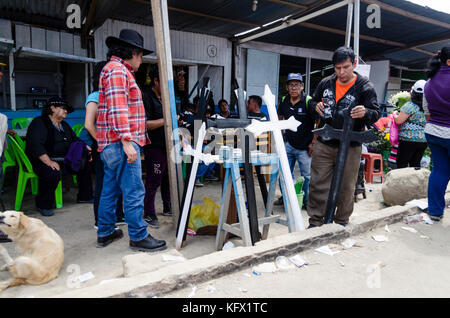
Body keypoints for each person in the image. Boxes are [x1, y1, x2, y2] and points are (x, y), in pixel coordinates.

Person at [96, 28, 166, 251]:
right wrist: (127, 142)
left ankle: (105, 232)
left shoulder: (114, 69)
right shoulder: (118, 71)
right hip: (120, 143)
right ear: (133, 52)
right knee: (134, 190)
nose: (141, 59)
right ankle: (138, 236)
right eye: (141, 55)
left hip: (111, 144)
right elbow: (118, 109)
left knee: (110, 190)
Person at [307, 46, 380, 228]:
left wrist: (365, 112)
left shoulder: (364, 87)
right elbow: (313, 101)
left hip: (350, 145)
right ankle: (315, 222)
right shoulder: (326, 83)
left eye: (346, 67)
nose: (342, 72)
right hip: (325, 143)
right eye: (338, 68)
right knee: (318, 184)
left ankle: (341, 222)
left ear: (354, 64)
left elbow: (376, 113)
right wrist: (314, 106)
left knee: (346, 187)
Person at [25, 97, 93, 216]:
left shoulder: (64, 125)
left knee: (85, 164)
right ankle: (43, 204)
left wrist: (86, 148)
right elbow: (36, 145)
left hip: (64, 159)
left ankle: (84, 196)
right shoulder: (39, 122)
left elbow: (74, 140)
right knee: (52, 172)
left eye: (66, 109)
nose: (66, 111)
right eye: (63, 108)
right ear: (52, 108)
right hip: (43, 160)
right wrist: (49, 162)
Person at [83, 61, 125, 229]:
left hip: (114, 147)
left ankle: (118, 216)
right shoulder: (94, 96)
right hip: (102, 147)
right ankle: (99, 221)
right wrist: (103, 143)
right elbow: (88, 125)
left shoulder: (111, 96)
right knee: (103, 184)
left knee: (118, 182)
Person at [274, 73, 316, 208]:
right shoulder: (284, 100)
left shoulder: (308, 101)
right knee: (283, 173)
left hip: (305, 147)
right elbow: (279, 117)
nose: (294, 88)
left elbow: (319, 121)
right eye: (291, 85)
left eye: (297, 85)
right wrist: (280, 138)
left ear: (302, 86)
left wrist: (313, 143)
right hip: (288, 145)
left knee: (307, 176)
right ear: (287, 87)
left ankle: (306, 201)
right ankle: (285, 197)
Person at [137, 66, 172, 229]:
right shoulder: (146, 97)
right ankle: (149, 212)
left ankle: (168, 207)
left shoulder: (164, 97)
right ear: (156, 80)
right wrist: (167, 120)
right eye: (163, 81)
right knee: (154, 178)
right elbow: (144, 124)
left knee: (167, 178)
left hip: (167, 144)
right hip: (154, 146)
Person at [423, 47, 450, 222]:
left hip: (433, 132)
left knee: (440, 170)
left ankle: (434, 211)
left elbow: (427, 112)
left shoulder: (428, 82)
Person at [394, 80, 427, 168]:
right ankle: (414, 181)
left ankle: (402, 181)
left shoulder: (410, 106)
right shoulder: (428, 107)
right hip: (423, 140)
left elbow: (399, 121)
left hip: (408, 139)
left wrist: (394, 115)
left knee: (402, 163)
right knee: (415, 164)